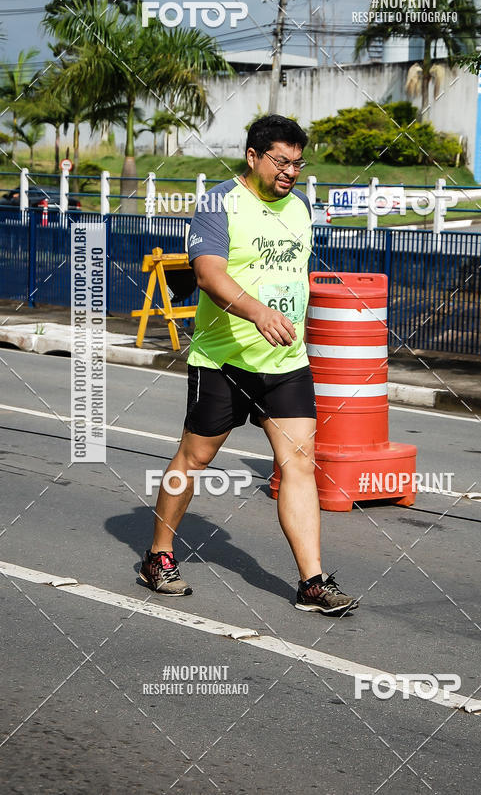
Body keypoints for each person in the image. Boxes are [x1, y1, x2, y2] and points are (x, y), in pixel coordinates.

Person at [139, 115, 358, 616]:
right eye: (281, 161)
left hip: (285, 361)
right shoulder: (220, 203)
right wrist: (258, 312)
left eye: (298, 163)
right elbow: (208, 273)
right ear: (253, 156)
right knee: (194, 458)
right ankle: (158, 554)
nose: (291, 172)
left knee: (298, 464)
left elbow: (292, 273)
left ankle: (312, 582)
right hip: (223, 360)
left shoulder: (301, 206)